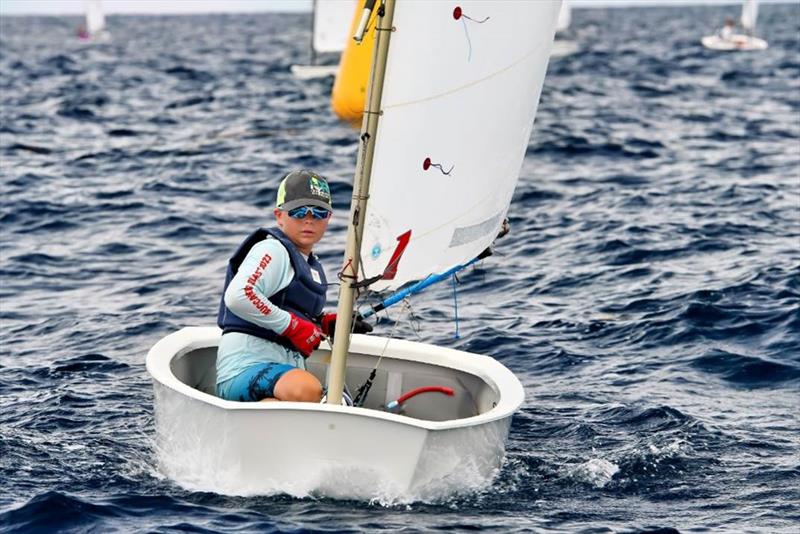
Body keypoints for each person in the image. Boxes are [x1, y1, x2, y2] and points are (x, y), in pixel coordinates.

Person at [215, 169, 371, 403]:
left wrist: (324, 323)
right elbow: (239, 295)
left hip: (280, 376)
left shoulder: (312, 264)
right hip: (243, 370)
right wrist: (292, 326)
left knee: (330, 396)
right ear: (279, 216)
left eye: (319, 212)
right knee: (308, 389)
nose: (309, 219)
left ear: (328, 218)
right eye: (298, 212)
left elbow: (290, 306)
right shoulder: (273, 250)